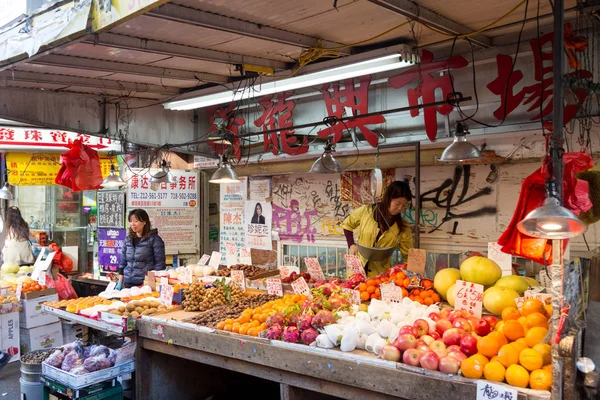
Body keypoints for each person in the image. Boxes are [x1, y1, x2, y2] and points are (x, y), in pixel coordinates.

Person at [342, 181, 414, 277]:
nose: (400, 208)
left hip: (380, 274)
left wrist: (411, 273)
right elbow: (347, 225)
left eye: (404, 205)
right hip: (357, 268)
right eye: (398, 203)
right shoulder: (366, 211)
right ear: (389, 198)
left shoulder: (403, 226)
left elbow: (408, 254)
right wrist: (351, 245)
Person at [117, 209, 166, 289]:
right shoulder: (128, 240)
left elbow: (160, 264)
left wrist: (152, 284)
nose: (132, 224)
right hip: (128, 283)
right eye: (131, 221)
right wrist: (120, 281)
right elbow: (123, 262)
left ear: (144, 222)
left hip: (145, 285)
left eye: (136, 221)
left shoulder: (154, 239)